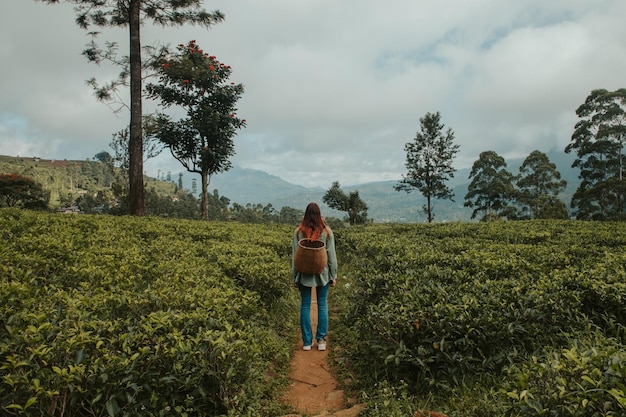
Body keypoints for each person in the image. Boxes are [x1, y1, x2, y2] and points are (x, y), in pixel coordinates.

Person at [292, 202, 338, 351]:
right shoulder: (326, 232)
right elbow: (331, 256)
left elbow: (295, 256)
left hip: (304, 273)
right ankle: (321, 341)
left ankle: (307, 342)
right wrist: (333, 275)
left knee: (305, 305)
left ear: (306, 215)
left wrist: (294, 277)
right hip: (322, 274)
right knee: (322, 304)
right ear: (319, 215)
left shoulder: (299, 232)